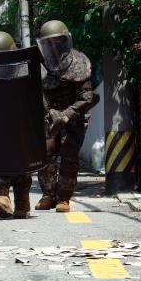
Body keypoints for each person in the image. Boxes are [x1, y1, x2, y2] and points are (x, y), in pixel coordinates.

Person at [35, 20, 99, 213]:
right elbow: (36, 92)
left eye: (57, 41)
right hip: (49, 115)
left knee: (69, 153)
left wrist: (67, 114)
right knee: (45, 152)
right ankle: (48, 194)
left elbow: (87, 97)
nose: (53, 46)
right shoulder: (40, 63)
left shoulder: (79, 61)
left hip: (74, 116)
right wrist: (49, 112)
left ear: (65, 41)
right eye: (49, 43)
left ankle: (64, 198)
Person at [0, 31, 32, 219]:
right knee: (0, 159)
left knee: (15, 163)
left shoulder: (29, 72)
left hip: (22, 131)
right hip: (3, 131)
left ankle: (20, 202)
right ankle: (4, 199)